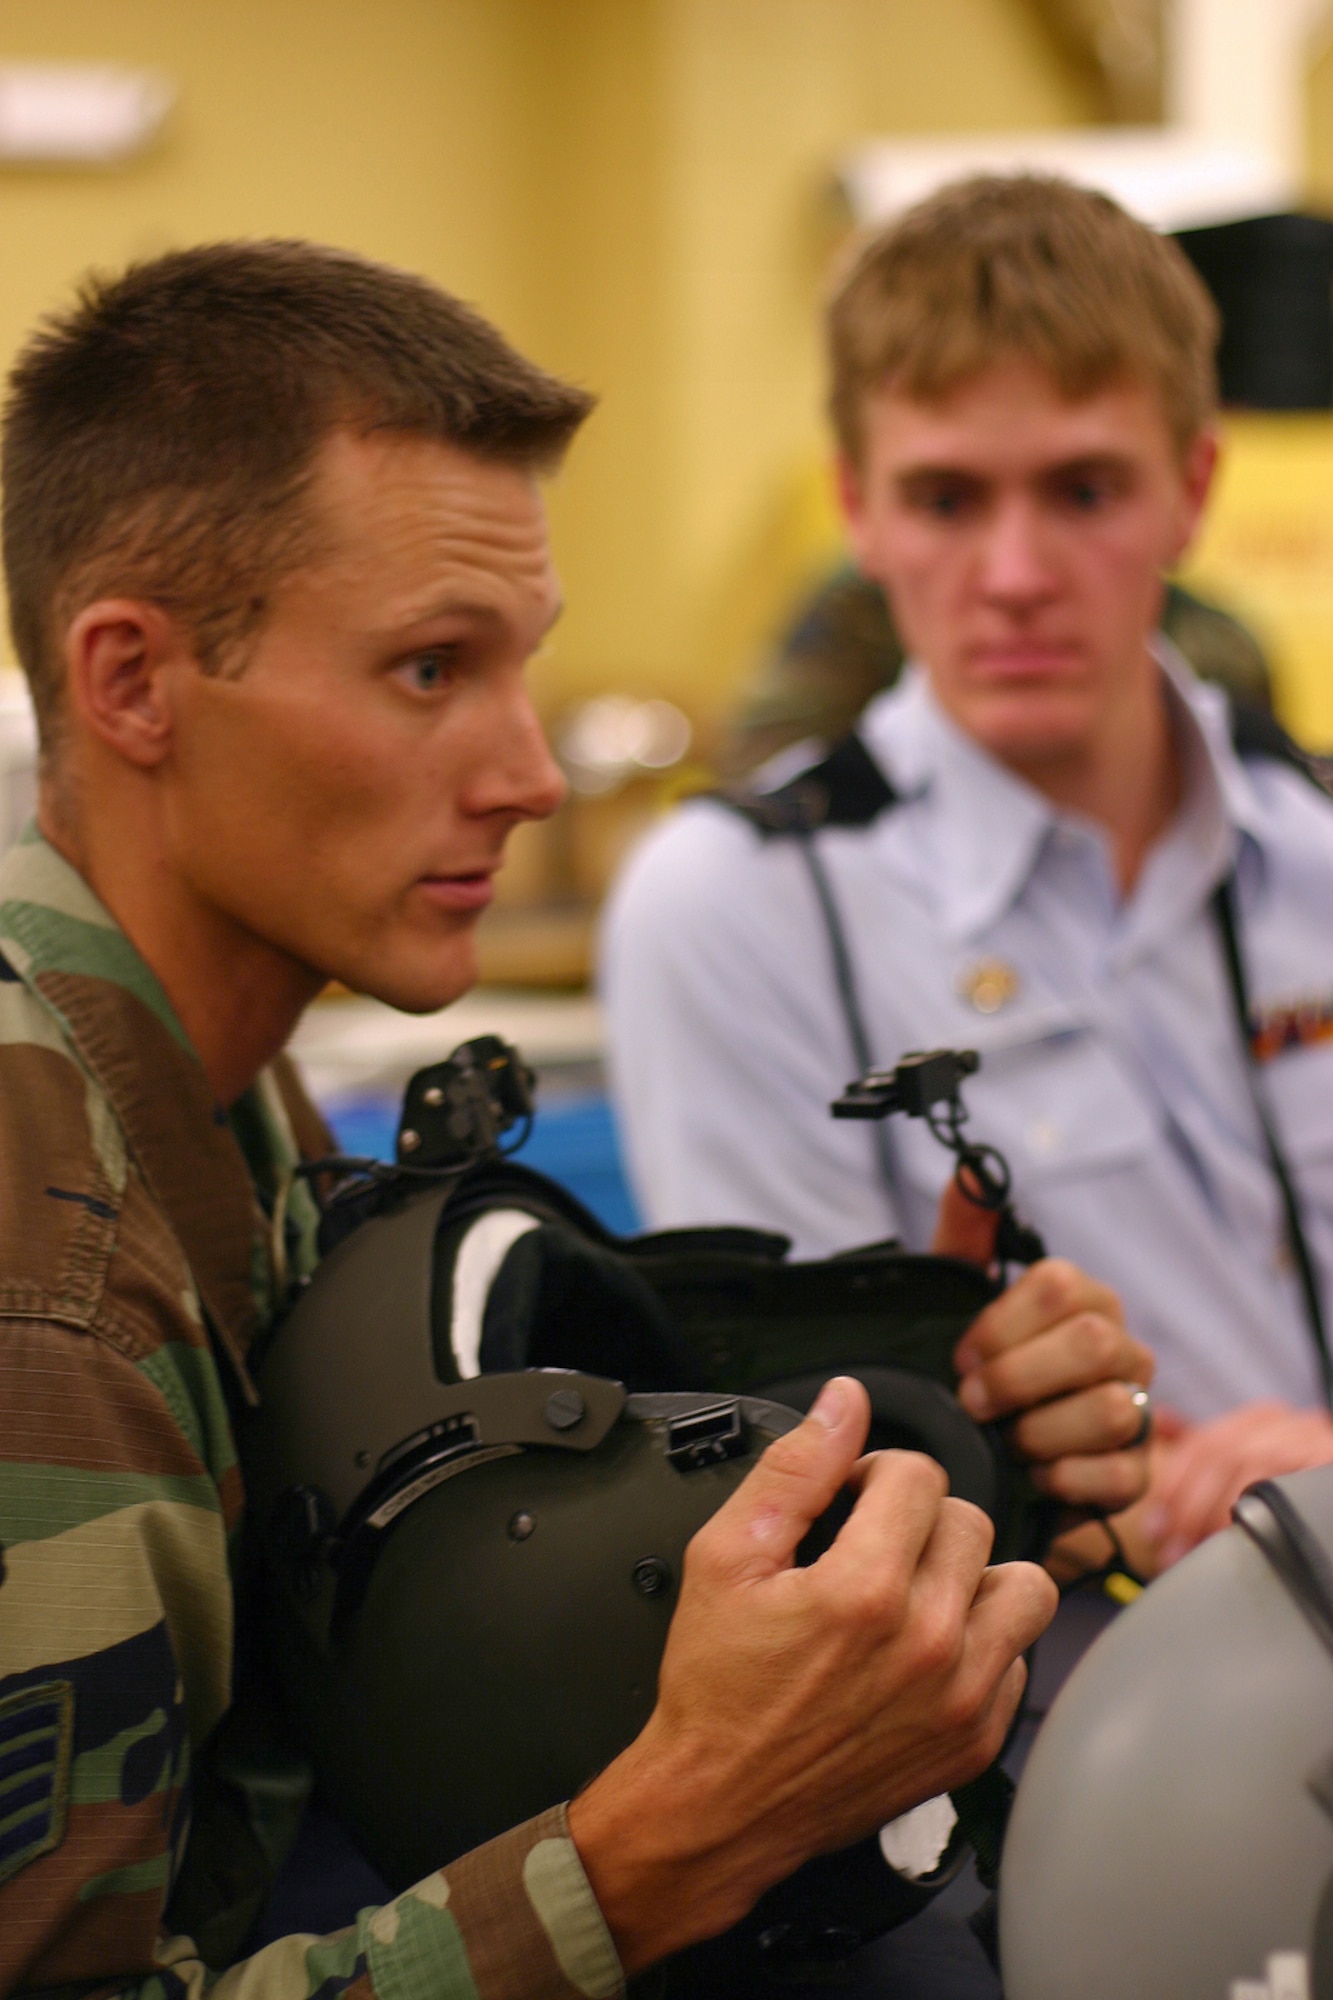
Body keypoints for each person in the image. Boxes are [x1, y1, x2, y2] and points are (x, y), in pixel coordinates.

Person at [0, 240, 1150, 2000]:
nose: (529, 774)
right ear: (134, 682)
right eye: (425, 672)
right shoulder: (45, 1272)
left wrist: (919, 1403)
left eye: (515, 666)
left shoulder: (184, 1058)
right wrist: (668, 1843)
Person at [601, 173, 1333, 1578]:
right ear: (856, 512)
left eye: (1081, 489)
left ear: (1190, 490)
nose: (1013, 573)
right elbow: (808, 1459)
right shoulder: (740, 908)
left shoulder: (1313, 848)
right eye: (944, 497)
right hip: (1033, 1738)